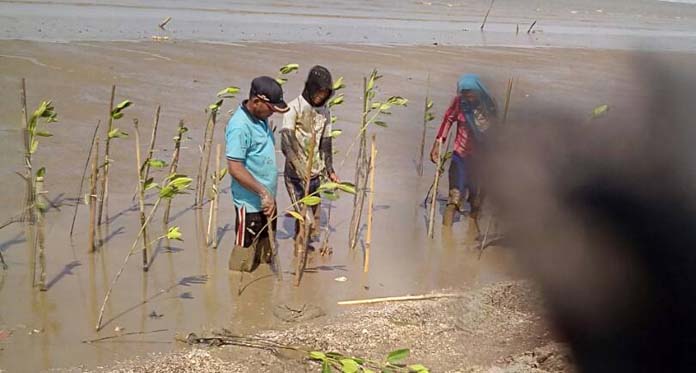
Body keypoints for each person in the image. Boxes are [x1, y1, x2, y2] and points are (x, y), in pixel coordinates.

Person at [226, 76, 289, 272]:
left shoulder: (261, 119)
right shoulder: (239, 126)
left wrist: (268, 197)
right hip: (251, 203)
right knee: (244, 261)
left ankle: (262, 294)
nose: (272, 113)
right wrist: (263, 193)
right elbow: (235, 168)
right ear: (256, 102)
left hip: (267, 200)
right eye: (270, 109)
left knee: (265, 255)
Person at [280, 65, 339, 249]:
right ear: (311, 88)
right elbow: (286, 144)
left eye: (325, 93)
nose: (321, 96)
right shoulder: (293, 108)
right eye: (319, 92)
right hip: (295, 177)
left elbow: (326, 141)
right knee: (305, 219)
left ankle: (304, 249)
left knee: (314, 225)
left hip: (315, 175)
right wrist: (299, 167)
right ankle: (298, 253)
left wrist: (330, 170)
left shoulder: (325, 111)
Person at [430, 74, 497, 234]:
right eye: (463, 92)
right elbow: (448, 120)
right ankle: (446, 238)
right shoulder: (459, 103)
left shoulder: (489, 107)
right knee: (453, 198)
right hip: (460, 154)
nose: (467, 95)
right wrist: (438, 144)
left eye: (470, 92)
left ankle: (472, 232)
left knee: (476, 201)